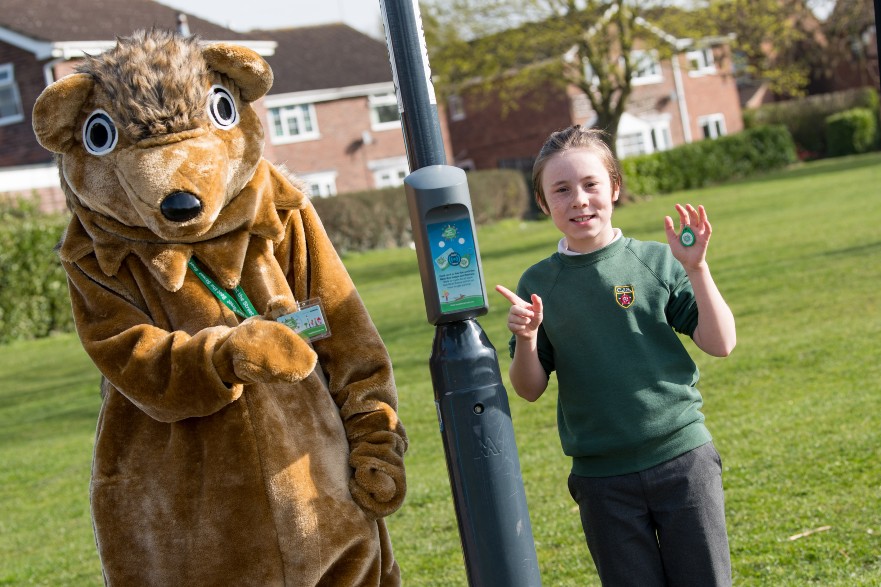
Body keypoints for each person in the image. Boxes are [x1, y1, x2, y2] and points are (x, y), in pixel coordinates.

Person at [496, 125, 736, 586]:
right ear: (544, 204)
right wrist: (527, 339)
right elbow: (529, 389)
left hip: (684, 463)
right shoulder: (537, 284)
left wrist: (697, 269)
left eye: (591, 185)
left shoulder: (655, 262)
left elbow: (720, 342)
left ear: (615, 188)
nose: (579, 200)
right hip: (603, 481)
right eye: (561, 190)